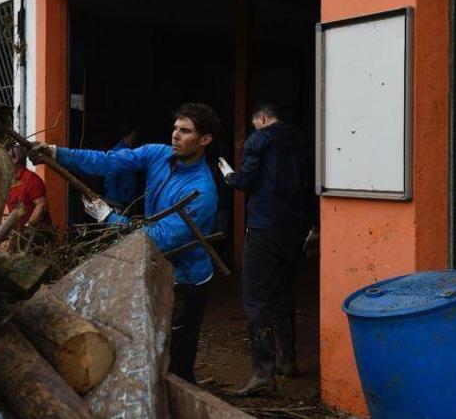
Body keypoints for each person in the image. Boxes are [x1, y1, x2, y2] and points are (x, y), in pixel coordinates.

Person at [31, 103, 220, 383]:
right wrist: (58, 154)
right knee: (150, 343)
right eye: (175, 128)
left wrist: (109, 217)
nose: (175, 135)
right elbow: (109, 161)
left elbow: (158, 239)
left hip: (185, 280)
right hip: (156, 267)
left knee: (176, 359)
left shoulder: (200, 191)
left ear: (205, 140)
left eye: (185, 131)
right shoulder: (159, 154)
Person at [217, 102, 312, 396]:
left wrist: (228, 175)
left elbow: (245, 182)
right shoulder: (301, 140)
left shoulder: (260, 138)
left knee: (255, 297)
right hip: (295, 228)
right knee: (283, 292)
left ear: (260, 118)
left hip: (264, 228)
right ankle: (287, 362)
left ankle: (263, 374)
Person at [5, 144, 51, 227]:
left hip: (35, 235)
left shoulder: (32, 179)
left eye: (6, 158)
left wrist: (27, 228)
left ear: (15, 159)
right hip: (18, 233)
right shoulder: (8, 181)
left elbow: (41, 205)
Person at [103, 124, 141, 208]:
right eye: (135, 134)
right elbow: (110, 180)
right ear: (132, 134)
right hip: (118, 203)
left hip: (129, 201)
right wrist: (114, 203)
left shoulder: (133, 152)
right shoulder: (116, 153)